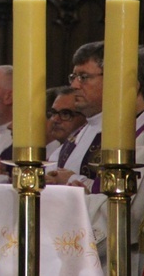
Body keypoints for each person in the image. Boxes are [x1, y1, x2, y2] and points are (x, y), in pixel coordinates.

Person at [86, 46, 144, 273]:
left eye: (111, 84)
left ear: (135, 87)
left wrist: (67, 203)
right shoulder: (134, 131)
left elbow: (125, 212)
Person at [46, 41, 105, 188]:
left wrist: (71, 179)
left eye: (84, 77)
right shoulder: (79, 133)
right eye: (74, 77)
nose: (74, 85)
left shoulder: (131, 132)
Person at [46, 86, 86, 156]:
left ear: (85, 117)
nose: (55, 120)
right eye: (53, 112)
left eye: (65, 114)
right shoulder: (52, 154)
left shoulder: (86, 153)